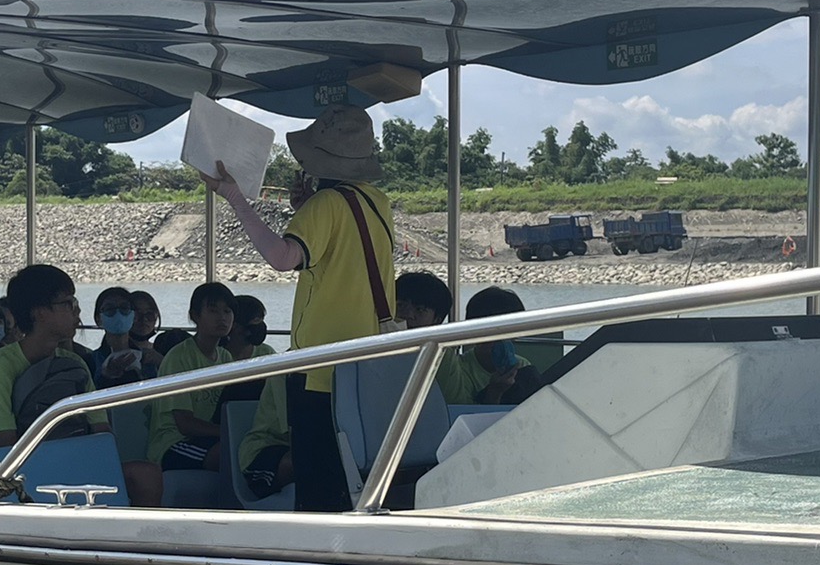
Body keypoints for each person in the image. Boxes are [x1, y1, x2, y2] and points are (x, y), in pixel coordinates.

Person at [202, 104, 395, 513]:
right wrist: (306, 209)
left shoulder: (324, 205)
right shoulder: (376, 202)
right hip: (367, 368)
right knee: (353, 484)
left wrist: (234, 196)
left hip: (320, 372)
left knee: (319, 493)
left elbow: (283, 257)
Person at [0, 264, 160, 506]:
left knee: (148, 476)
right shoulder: (0, 366)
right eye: (68, 304)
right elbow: (5, 444)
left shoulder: (75, 365)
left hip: (79, 459)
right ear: (39, 312)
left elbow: (101, 429)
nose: (77, 312)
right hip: (28, 469)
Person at [148, 282, 236, 474]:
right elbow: (184, 424)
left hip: (210, 437)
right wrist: (228, 432)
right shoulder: (178, 358)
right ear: (195, 316)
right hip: (173, 442)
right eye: (213, 311)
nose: (222, 318)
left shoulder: (226, 358)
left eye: (227, 311)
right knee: (227, 453)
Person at [440, 287, 539, 406]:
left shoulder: (523, 367)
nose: (502, 339)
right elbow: (468, 418)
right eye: (494, 331)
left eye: (509, 331)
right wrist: (494, 392)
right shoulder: (459, 372)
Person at [88, 286, 148, 388]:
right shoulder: (90, 362)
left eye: (124, 308)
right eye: (109, 309)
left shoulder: (148, 358)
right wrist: (106, 377)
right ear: (98, 319)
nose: (118, 314)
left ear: (134, 316)